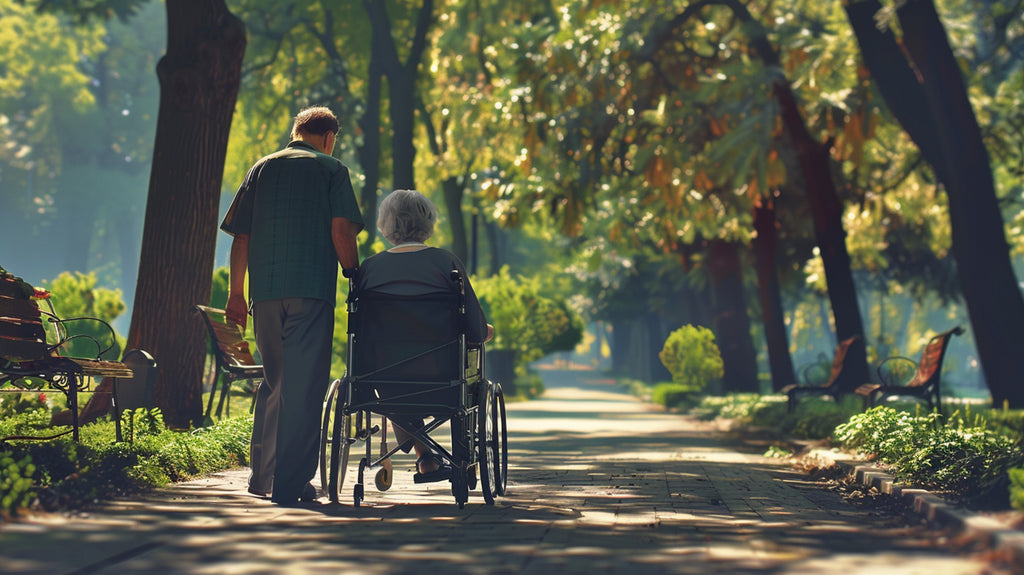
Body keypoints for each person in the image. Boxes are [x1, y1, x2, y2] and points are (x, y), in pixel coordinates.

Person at [220, 106, 363, 505]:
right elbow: (341, 231)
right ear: (329, 137)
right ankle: (290, 485)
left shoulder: (261, 168)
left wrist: (236, 294)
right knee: (304, 387)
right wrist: (354, 274)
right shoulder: (331, 170)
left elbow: (241, 237)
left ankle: (262, 477)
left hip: (264, 294)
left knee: (275, 380)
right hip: (311, 290)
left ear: (296, 132)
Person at [355, 189, 493, 480]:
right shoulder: (446, 263)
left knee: (392, 373)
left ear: (384, 223)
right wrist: (484, 331)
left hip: (385, 379)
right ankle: (453, 458)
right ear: (428, 222)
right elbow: (476, 331)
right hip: (441, 376)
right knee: (447, 368)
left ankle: (426, 457)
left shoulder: (370, 269)